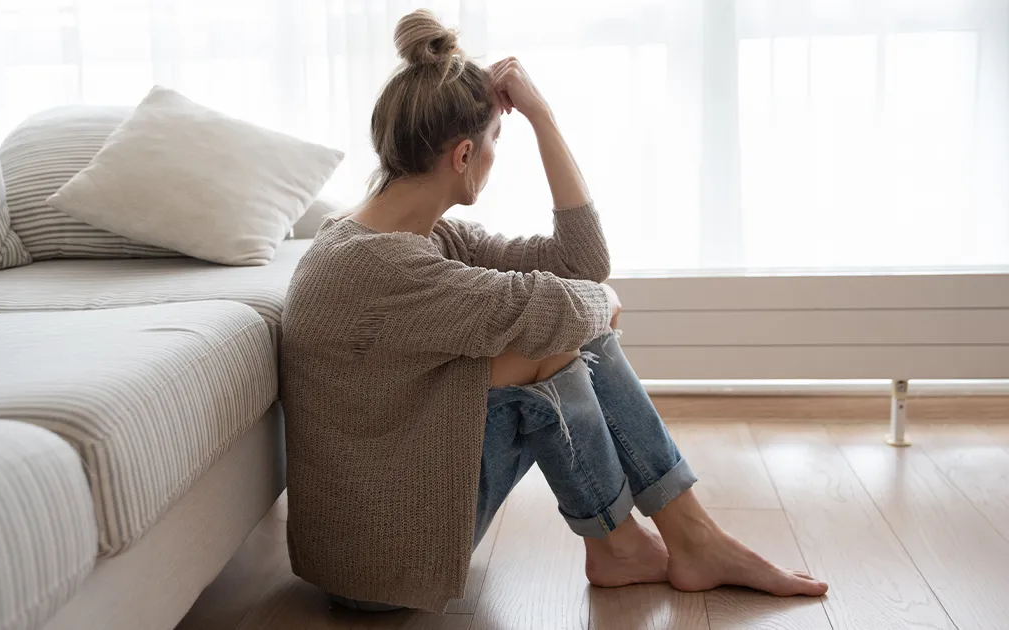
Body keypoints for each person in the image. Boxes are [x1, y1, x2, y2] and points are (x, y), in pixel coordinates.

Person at [279, 9, 829, 613]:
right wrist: (605, 304)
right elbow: (575, 301)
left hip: (372, 540)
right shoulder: (385, 270)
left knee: (558, 335)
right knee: (559, 342)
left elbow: (581, 259)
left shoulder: (411, 240)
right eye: (495, 142)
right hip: (385, 561)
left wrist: (543, 118)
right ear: (464, 156)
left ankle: (634, 545)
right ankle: (672, 539)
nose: (495, 156)